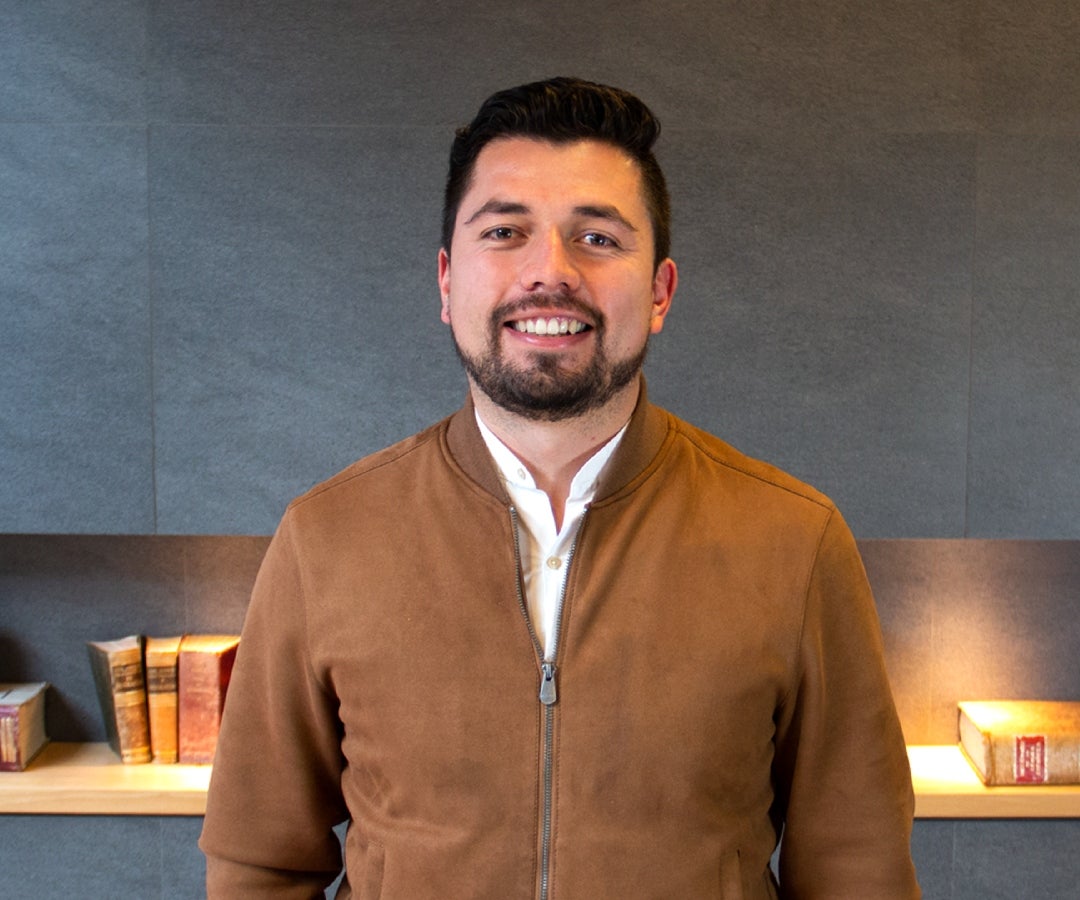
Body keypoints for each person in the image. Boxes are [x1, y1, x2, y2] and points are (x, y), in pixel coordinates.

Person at [200, 76, 920, 898]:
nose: (550, 271)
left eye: (598, 238)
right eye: (505, 232)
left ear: (660, 292)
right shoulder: (327, 537)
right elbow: (259, 865)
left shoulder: (794, 541)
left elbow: (859, 871)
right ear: (446, 282)